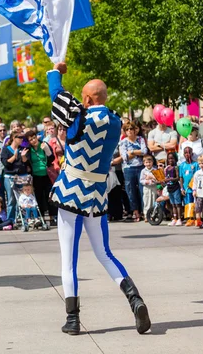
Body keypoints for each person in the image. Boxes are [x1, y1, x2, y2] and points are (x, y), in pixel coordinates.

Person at [48, 62, 150, 335]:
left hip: (71, 193)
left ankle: (72, 319)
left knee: (68, 260)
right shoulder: (116, 121)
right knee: (104, 253)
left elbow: (56, 94)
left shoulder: (78, 119)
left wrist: (55, 71)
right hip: (97, 196)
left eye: (83, 96)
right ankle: (135, 299)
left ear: (88, 99)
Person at [119, 122, 148, 222]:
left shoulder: (140, 139)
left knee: (142, 190)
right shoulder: (123, 142)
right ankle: (135, 211)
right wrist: (137, 152)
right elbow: (124, 157)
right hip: (128, 168)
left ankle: (144, 211)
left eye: (131, 129)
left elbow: (144, 151)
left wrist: (132, 152)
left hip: (140, 167)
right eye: (127, 129)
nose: (130, 131)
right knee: (130, 191)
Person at [26, 130, 55, 222]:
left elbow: (52, 158)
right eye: (31, 139)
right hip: (36, 176)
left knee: (49, 195)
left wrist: (46, 149)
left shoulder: (43, 144)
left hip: (46, 174)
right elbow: (27, 162)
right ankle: (41, 217)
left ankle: (52, 216)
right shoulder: (29, 149)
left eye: (34, 138)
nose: (33, 140)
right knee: (39, 196)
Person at [1, 131, 29, 222]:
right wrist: (15, 156)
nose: (21, 139)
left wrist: (23, 157)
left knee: (22, 199)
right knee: (11, 199)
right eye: (19, 137)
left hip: (22, 176)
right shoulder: (6, 149)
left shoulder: (23, 148)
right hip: (10, 176)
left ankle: (21, 218)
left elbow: (26, 163)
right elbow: (6, 163)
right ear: (13, 138)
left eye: (22, 138)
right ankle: (10, 220)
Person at [179, 147, 199, 226]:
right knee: (188, 204)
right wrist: (182, 188)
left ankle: (197, 218)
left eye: (189, 152)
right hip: (186, 189)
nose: (187, 154)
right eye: (186, 153)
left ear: (192, 154)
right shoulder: (182, 165)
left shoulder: (196, 164)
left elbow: (197, 176)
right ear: (183, 155)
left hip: (194, 189)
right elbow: (181, 177)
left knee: (196, 204)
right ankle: (190, 219)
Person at [164, 152, 183, 226]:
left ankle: (179, 219)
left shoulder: (176, 167)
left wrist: (171, 179)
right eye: (169, 158)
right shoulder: (167, 168)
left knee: (178, 204)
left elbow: (178, 177)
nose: (170, 160)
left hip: (175, 188)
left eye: (172, 158)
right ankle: (174, 218)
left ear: (175, 159)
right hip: (169, 188)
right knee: (173, 204)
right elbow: (166, 177)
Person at [139, 155, 159, 220]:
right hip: (146, 188)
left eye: (150, 162)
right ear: (144, 163)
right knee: (146, 201)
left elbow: (158, 179)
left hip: (154, 187)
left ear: (152, 162)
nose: (148, 164)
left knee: (153, 200)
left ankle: (153, 215)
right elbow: (141, 180)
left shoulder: (155, 170)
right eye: (146, 162)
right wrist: (146, 181)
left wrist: (152, 179)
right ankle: (146, 215)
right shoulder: (143, 171)